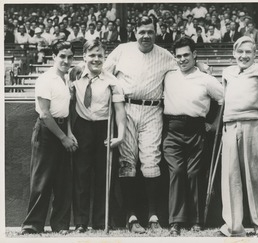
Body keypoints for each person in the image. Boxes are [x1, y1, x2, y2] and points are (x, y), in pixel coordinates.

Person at [102, 16, 177, 234]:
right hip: (126, 109)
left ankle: (153, 215)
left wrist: (201, 64)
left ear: (156, 33)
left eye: (150, 32)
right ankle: (131, 215)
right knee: (127, 162)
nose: (146, 36)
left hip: (153, 109)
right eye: (142, 31)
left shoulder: (165, 55)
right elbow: (104, 71)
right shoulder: (122, 50)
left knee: (151, 160)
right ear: (135, 32)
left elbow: (183, 67)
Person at [219, 36, 258, 237]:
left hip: (251, 126)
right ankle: (233, 227)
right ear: (234, 53)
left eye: (248, 52)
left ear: (255, 54)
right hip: (229, 126)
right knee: (230, 178)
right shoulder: (227, 72)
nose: (244, 56)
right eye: (240, 52)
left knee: (255, 176)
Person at [163, 37, 223, 236]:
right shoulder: (169, 76)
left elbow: (224, 99)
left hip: (197, 130)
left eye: (186, 55)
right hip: (172, 130)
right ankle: (175, 222)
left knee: (194, 174)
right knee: (177, 172)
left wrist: (214, 124)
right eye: (178, 56)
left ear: (194, 54)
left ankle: (197, 220)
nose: (182, 59)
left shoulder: (206, 79)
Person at [21, 41, 77, 235]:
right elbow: (45, 114)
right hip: (47, 131)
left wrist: (68, 133)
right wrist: (63, 138)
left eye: (70, 57)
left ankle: (60, 226)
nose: (66, 60)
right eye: (62, 56)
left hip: (62, 130)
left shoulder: (67, 78)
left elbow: (66, 111)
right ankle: (32, 226)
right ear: (53, 57)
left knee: (63, 182)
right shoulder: (45, 79)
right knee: (42, 181)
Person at [69, 39, 126, 233]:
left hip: (104, 128)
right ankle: (81, 222)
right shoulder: (74, 75)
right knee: (81, 176)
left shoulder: (112, 81)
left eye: (99, 55)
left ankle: (101, 221)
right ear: (84, 56)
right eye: (92, 55)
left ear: (105, 57)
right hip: (82, 128)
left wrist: (121, 135)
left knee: (104, 176)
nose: (96, 59)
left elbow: (119, 110)